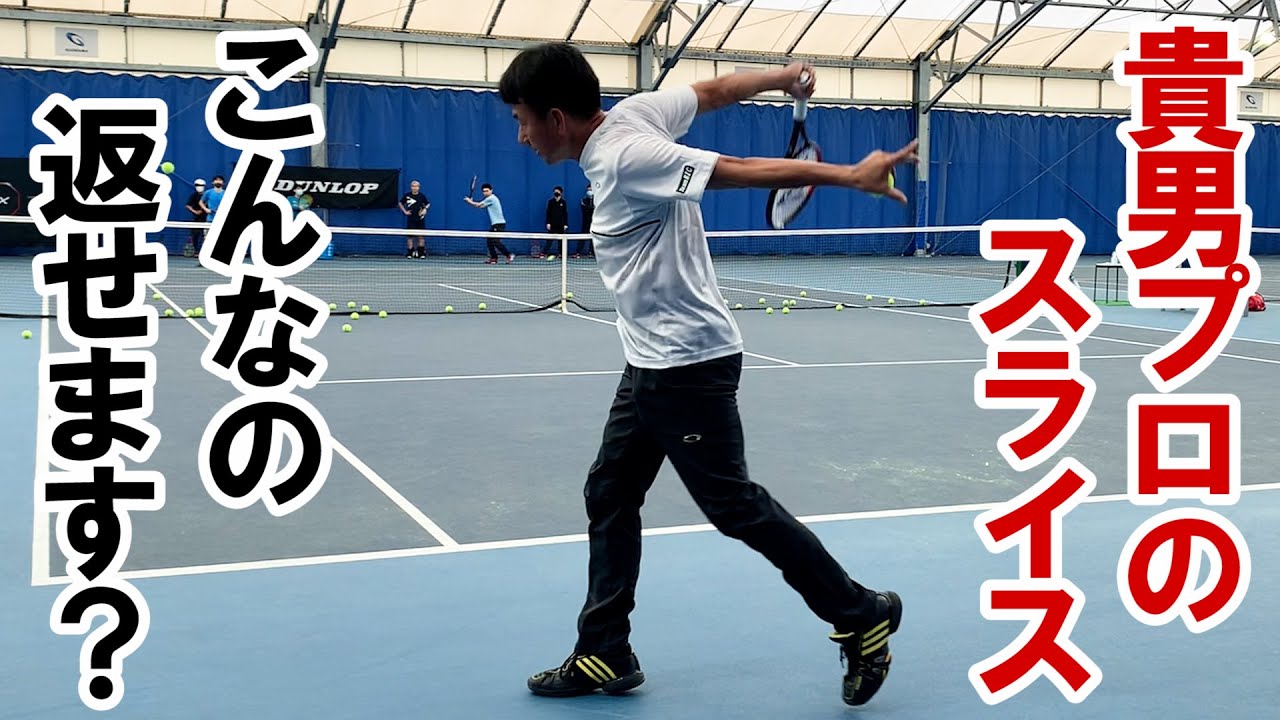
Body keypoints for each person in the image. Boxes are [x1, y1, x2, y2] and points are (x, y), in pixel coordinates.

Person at [497, 42, 916, 707]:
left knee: (733, 506)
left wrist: (847, 175)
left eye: (522, 121)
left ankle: (861, 613)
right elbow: (714, 91)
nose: (521, 137)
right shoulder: (638, 113)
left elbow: (737, 169)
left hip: (686, 364)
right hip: (649, 361)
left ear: (555, 118)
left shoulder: (629, 156)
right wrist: (782, 76)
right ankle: (604, 650)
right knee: (610, 491)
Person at [464, 183, 514, 264]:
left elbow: (478, 205)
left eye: (487, 191)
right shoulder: (489, 199)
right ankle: (494, 258)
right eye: (484, 191)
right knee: (489, 241)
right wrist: (472, 202)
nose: (485, 193)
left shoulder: (491, 198)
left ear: (491, 190)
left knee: (495, 241)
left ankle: (509, 255)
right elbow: (481, 206)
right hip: (495, 224)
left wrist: (470, 201)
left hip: (499, 224)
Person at [400, 180, 430, 258]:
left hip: (420, 219)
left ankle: (421, 253)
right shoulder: (407, 196)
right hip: (411, 219)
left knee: (421, 236)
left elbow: (428, 204)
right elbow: (400, 203)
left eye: (416, 186)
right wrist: (405, 211)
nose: (415, 188)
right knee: (410, 237)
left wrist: (425, 209)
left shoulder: (422, 196)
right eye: (413, 186)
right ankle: (410, 252)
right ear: (411, 187)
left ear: (419, 187)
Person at [184, 178, 206, 256]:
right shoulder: (194, 195)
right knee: (195, 235)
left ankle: (205, 252)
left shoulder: (207, 194)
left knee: (206, 236)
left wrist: (203, 210)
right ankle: (196, 251)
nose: (199, 186)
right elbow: (188, 205)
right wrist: (195, 211)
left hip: (207, 219)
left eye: (201, 185)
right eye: (197, 185)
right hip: (196, 219)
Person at [545, 185, 568, 257]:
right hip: (552, 224)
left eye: (557, 191)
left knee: (561, 241)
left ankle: (561, 254)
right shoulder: (550, 202)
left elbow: (565, 213)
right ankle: (544, 252)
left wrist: (565, 224)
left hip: (561, 224)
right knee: (549, 239)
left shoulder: (563, 202)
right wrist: (548, 223)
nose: (556, 193)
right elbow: (548, 213)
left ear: (561, 193)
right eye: (555, 192)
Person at [573, 181, 594, 258]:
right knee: (582, 238)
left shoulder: (597, 200)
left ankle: (591, 252)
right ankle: (578, 252)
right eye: (588, 190)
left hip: (594, 223)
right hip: (585, 222)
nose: (589, 191)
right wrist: (590, 207)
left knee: (593, 238)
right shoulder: (583, 200)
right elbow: (585, 209)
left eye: (591, 190)